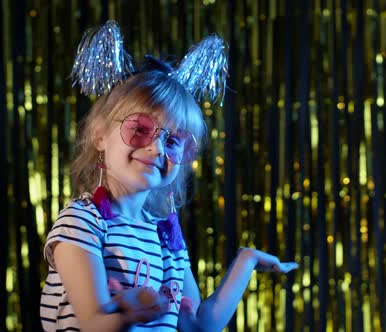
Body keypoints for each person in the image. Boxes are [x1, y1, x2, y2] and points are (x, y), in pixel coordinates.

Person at [39, 21, 298, 332]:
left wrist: (247, 260)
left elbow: (200, 325)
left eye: (173, 140)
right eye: (139, 130)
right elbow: (95, 325)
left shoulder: (163, 237)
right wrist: (132, 312)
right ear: (99, 137)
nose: (156, 148)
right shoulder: (82, 222)